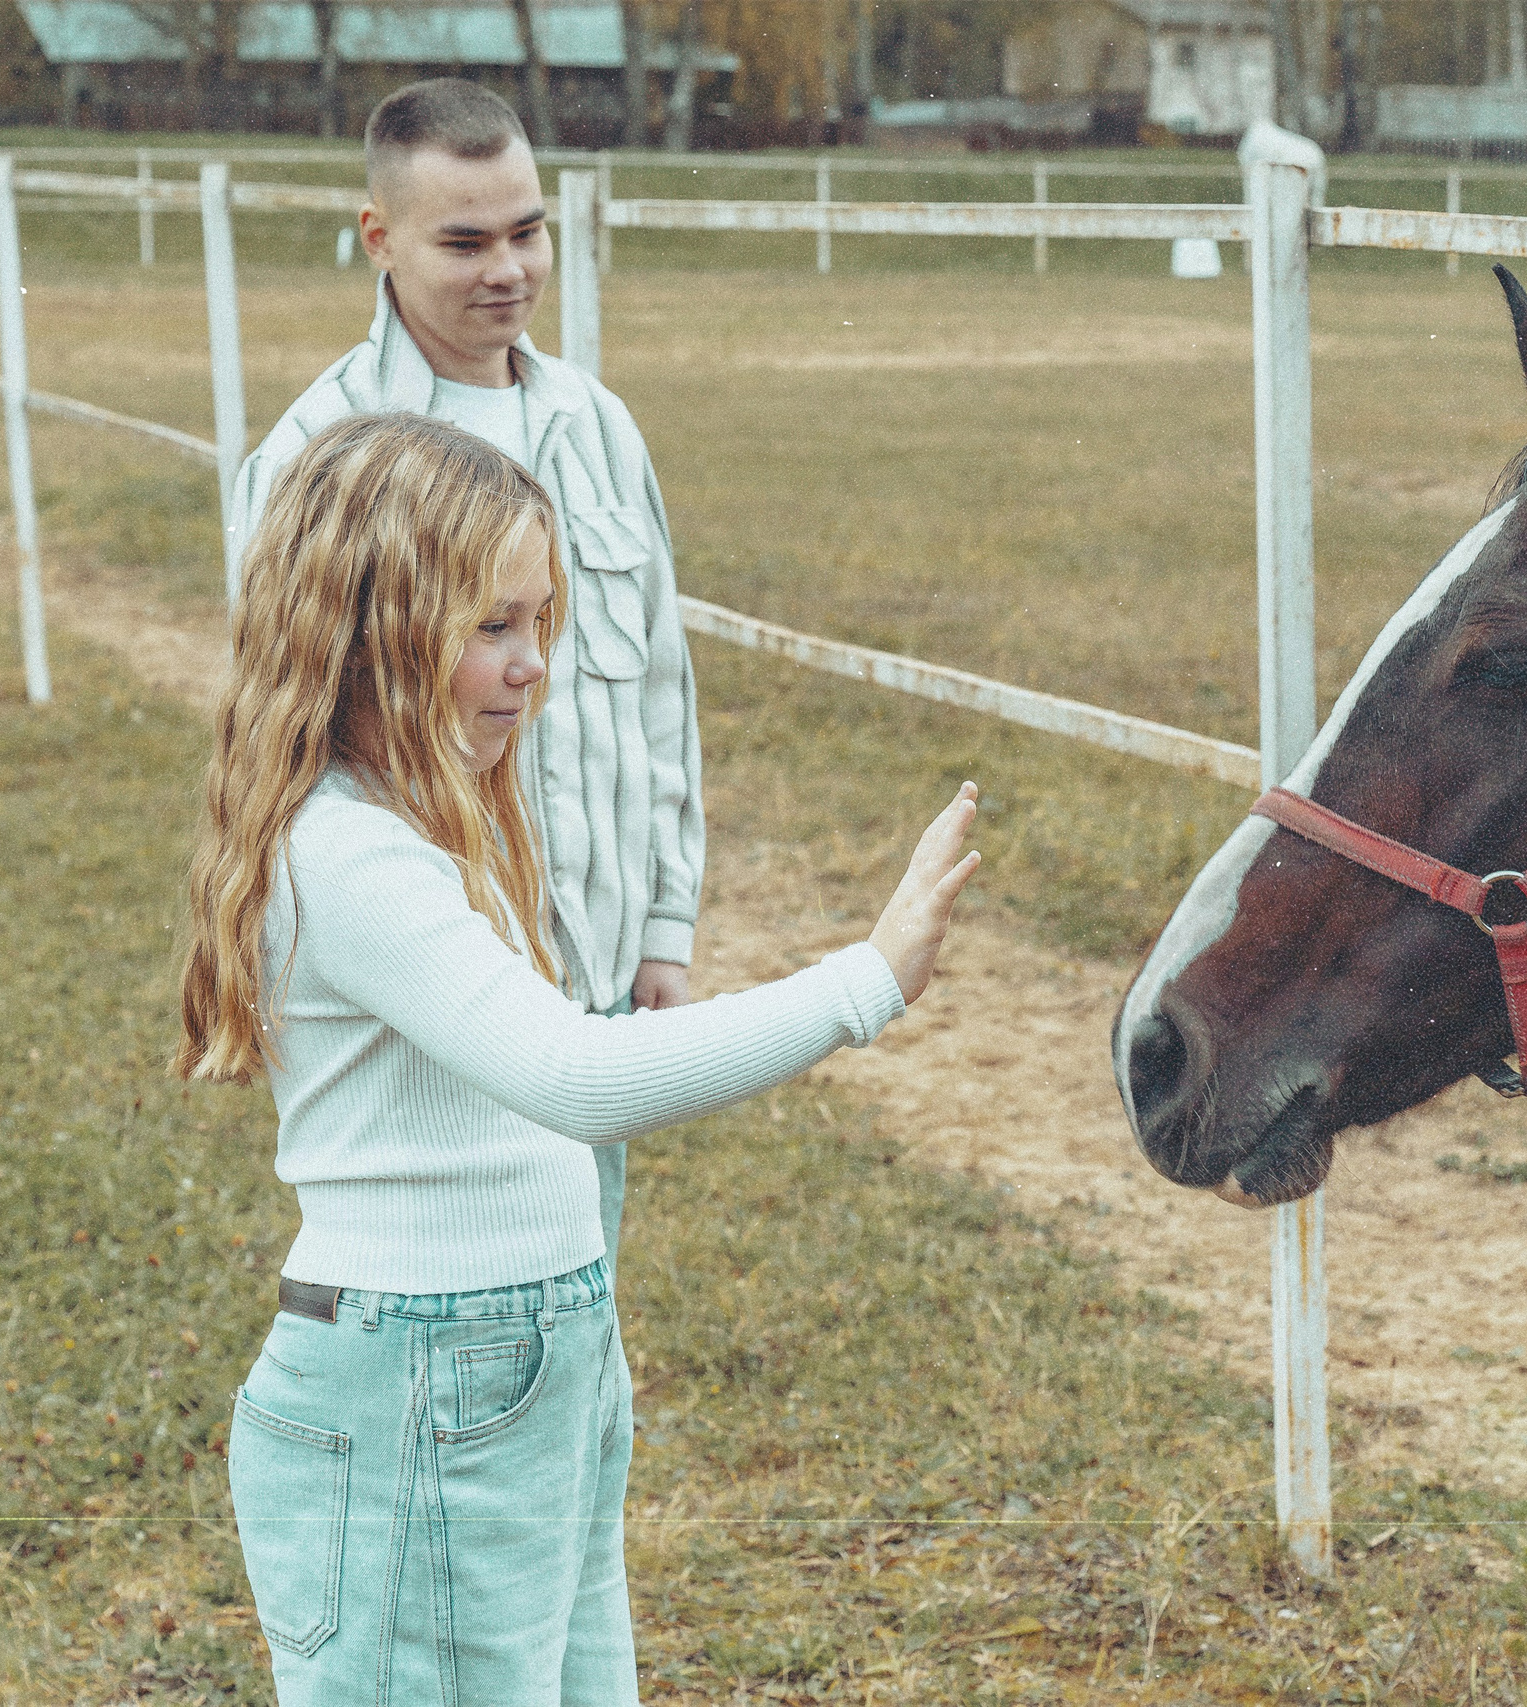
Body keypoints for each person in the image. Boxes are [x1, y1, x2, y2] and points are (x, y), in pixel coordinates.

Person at [179, 412, 978, 1704]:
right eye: (491, 626)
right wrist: (865, 980)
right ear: (374, 626)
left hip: (528, 1354)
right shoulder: (351, 855)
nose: (531, 664)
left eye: (541, 621)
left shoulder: (433, 828)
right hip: (419, 1385)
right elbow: (574, 1075)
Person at [230, 77, 686, 1281]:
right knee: (465, 1310)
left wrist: (666, 919)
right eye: (465, 240)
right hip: (434, 991)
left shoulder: (598, 426)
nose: (508, 269)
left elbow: (659, 695)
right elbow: (291, 744)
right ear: (379, 238)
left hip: (596, 969)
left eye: (527, 231)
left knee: (582, 1292)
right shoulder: (315, 460)